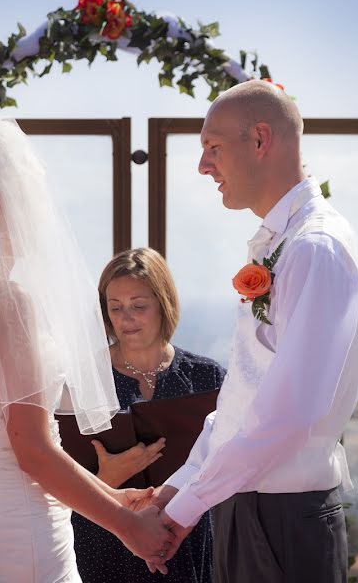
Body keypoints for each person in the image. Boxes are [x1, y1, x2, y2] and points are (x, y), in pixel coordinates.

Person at [0, 116, 173, 583]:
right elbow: (32, 452)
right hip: (20, 533)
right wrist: (127, 527)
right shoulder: (6, 303)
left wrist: (113, 498)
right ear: (1, 195)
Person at [148, 79, 358, 582]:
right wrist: (181, 487)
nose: (204, 166)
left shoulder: (317, 247)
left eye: (213, 148)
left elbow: (288, 417)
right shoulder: (284, 242)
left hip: (282, 522)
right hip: (250, 509)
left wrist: (187, 507)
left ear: (260, 140)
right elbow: (245, 396)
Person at [72, 247, 225, 583]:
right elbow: (49, 479)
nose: (126, 318)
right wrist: (105, 478)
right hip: (103, 544)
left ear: (163, 304)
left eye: (139, 306)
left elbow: (230, 465)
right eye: (116, 307)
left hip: (185, 542)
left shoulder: (209, 377)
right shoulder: (81, 380)